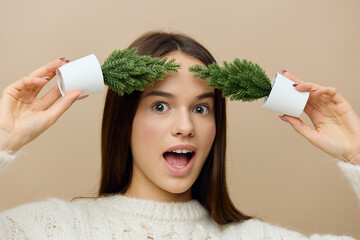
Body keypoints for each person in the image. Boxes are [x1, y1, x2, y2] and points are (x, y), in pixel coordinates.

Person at [0, 31, 359, 239]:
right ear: (124, 120)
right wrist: (3, 141)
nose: (185, 127)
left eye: (202, 108)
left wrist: (356, 155)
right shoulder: (51, 231)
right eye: (160, 106)